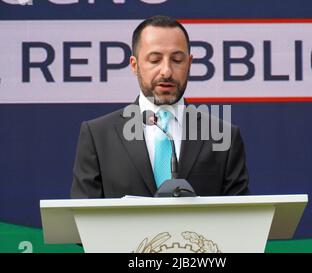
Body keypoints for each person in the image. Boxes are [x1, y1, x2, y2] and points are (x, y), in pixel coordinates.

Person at [71, 15, 249, 198]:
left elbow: (240, 218)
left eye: (177, 60)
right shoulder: (98, 136)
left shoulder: (223, 136)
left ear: (190, 63)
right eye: (155, 60)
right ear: (135, 65)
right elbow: (82, 219)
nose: (166, 71)